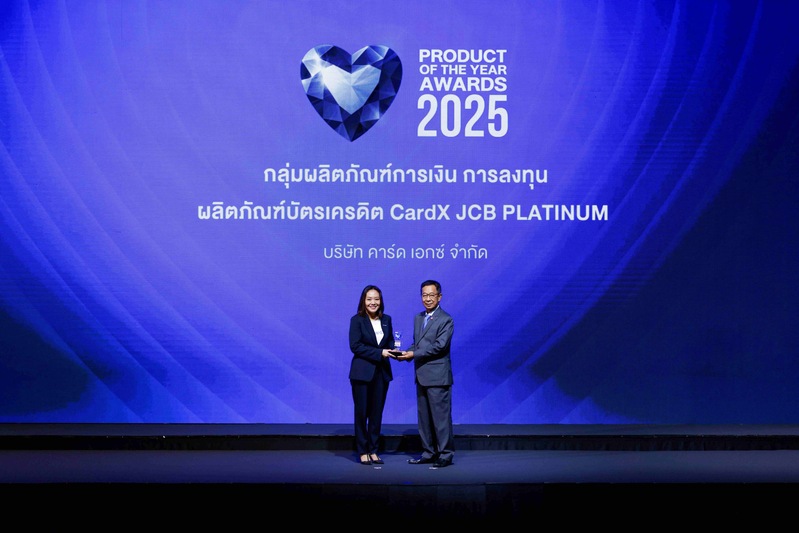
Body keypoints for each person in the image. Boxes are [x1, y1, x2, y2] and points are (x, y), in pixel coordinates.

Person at [394, 280, 454, 467]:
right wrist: (406, 353)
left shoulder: (446, 319)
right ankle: (428, 452)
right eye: (424, 295)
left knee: (441, 420)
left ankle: (445, 455)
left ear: (439, 297)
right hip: (421, 375)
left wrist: (414, 354)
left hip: (438, 377)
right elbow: (417, 344)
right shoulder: (418, 318)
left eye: (431, 295)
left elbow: (439, 346)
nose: (427, 299)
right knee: (424, 419)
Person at [348, 284, 394, 465]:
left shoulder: (387, 319)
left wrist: (395, 352)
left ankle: (374, 450)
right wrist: (380, 353)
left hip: (381, 373)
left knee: (376, 414)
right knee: (361, 413)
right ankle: (362, 450)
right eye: (369, 299)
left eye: (376, 299)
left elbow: (390, 342)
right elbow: (355, 346)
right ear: (363, 301)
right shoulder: (356, 320)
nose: (373, 302)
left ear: (381, 301)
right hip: (362, 373)